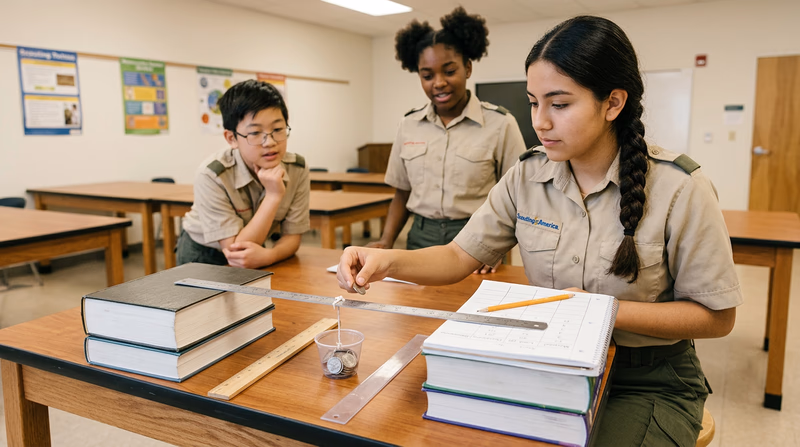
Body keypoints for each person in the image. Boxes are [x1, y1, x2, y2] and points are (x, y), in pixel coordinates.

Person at [338, 16, 741, 446]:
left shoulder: (680, 188)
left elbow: (717, 317)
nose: (540, 122)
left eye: (559, 104)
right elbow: (459, 256)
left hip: (646, 379)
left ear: (613, 103)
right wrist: (387, 260)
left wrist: (598, 310)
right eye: (533, 103)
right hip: (550, 363)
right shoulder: (527, 176)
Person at [371, 6, 526, 274]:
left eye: (449, 71)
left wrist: (498, 247)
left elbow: (519, 197)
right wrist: (386, 241)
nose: (438, 83)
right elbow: (402, 193)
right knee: (417, 312)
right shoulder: (408, 125)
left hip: (479, 238)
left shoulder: (501, 124)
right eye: (427, 76)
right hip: (420, 238)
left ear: (467, 68)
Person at [177, 80, 309, 269]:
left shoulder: (297, 168)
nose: (270, 142)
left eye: (278, 129)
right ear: (232, 138)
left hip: (257, 248)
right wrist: (273, 195)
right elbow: (236, 253)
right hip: (204, 254)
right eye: (255, 132)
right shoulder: (212, 175)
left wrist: (270, 255)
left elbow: (292, 237)